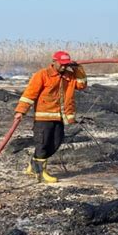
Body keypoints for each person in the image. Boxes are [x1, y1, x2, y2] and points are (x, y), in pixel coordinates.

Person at [14, 51, 87, 183]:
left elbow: (82, 85)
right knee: (42, 144)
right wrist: (21, 111)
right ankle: (41, 173)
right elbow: (29, 94)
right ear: (54, 62)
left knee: (56, 142)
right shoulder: (42, 75)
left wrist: (78, 69)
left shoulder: (69, 77)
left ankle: (33, 164)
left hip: (59, 117)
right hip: (43, 118)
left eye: (67, 65)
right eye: (62, 64)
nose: (64, 67)